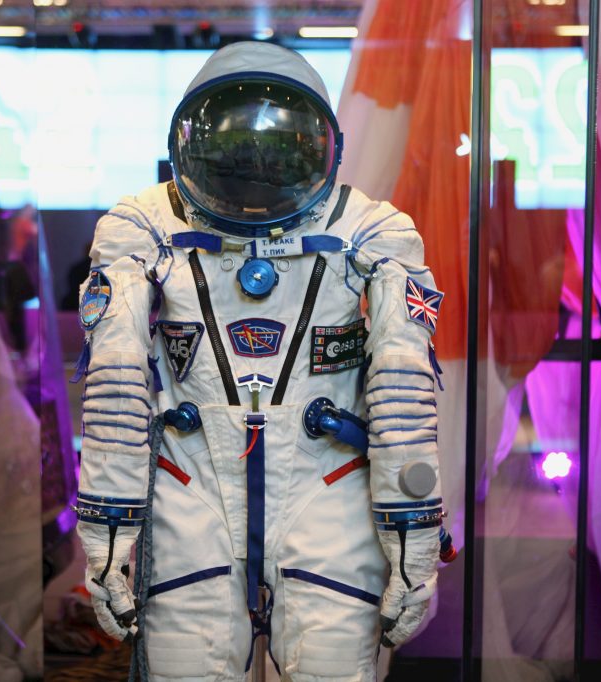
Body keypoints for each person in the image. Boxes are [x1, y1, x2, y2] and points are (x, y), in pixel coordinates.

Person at [75, 42, 446, 681]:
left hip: (325, 486)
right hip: (193, 485)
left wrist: (414, 543)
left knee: (331, 668)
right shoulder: (143, 227)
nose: (254, 164)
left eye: (275, 148)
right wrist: (107, 541)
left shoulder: (372, 232)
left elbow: (404, 398)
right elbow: (116, 392)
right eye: (235, 148)